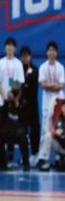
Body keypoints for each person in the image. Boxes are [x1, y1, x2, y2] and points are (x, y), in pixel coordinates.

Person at [0, 38, 25, 170]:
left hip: (12, 102)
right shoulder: (0, 62)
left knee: (12, 130)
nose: (9, 48)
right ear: (5, 48)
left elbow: (19, 82)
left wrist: (12, 93)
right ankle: (0, 160)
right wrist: (4, 95)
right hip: (0, 101)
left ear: (15, 48)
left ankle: (11, 158)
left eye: (12, 46)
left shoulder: (18, 64)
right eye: (7, 45)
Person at [36, 42, 64, 170]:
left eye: (54, 50)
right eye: (49, 50)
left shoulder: (60, 67)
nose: (51, 52)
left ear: (56, 53)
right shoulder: (42, 67)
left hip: (59, 103)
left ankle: (60, 158)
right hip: (47, 104)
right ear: (47, 52)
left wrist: (50, 86)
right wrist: (54, 86)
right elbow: (43, 85)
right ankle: (43, 159)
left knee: (60, 129)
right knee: (45, 132)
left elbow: (61, 85)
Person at [0, 82, 30, 171]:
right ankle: (2, 162)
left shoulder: (25, 102)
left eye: (17, 92)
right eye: (13, 91)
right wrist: (6, 100)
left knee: (22, 137)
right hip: (8, 130)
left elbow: (24, 118)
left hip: (20, 130)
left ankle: (26, 163)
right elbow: (2, 114)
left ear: (20, 92)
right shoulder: (8, 102)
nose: (14, 93)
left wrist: (17, 102)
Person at [19, 46, 40, 162]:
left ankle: (35, 153)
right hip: (21, 105)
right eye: (23, 56)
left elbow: (31, 83)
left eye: (26, 56)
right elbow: (14, 83)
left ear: (30, 57)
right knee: (22, 131)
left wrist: (24, 84)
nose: (25, 58)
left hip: (32, 105)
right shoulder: (18, 69)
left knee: (35, 128)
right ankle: (24, 156)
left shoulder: (35, 69)